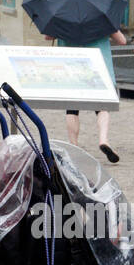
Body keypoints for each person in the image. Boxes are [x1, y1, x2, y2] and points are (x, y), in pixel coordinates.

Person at [52, 27, 127, 163]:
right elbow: (122, 41)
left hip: (71, 68)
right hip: (98, 68)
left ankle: (74, 146)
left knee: (72, 109)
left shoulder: (63, 15)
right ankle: (103, 140)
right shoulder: (102, 16)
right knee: (102, 108)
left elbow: (47, 37)